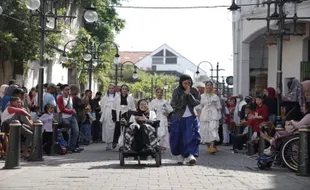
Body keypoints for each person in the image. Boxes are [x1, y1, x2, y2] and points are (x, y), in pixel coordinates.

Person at [170, 74, 201, 165]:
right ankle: (180, 154)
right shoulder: (176, 91)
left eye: (189, 83)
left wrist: (189, 95)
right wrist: (184, 95)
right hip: (179, 117)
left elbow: (196, 103)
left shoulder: (194, 90)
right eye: (185, 83)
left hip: (191, 116)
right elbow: (176, 105)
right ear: (181, 83)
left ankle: (190, 154)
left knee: (192, 135)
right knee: (178, 136)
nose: (187, 85)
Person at [195, 81, 222, 154]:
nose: (209, 86)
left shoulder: (215, 96)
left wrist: (218, 116)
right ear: (206, 86)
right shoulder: (202, 96)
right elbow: (199, 107)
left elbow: (218, 107)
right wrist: (199, 116)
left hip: (213, 114)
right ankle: (208, 147)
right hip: (204, 114)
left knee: (213, 129)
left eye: (210, 85)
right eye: (208, 85)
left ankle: (212, 146)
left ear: (212, 87)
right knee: (205, 130)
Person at [112, 84, 136, 148]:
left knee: (127, 129)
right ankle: (115, 142)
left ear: (127, 90)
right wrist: (114, 117)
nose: (124, 90)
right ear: (121, 90)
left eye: (125, 89)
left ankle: (126, 143)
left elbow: (133, 107)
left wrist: (133, 115)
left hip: (127, 114)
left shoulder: (130, 98)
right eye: (123, 89)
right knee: (118, 129)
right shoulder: (117, 98)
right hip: (119, 114)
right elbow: (113, 108)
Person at [100, 84, 118, 150]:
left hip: (114, 113)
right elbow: (102, 105)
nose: (111, 89)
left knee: (114, 128)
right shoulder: (105, 97)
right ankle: (108, 143)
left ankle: (114, 141)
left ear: (114, 89)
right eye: (109, 88)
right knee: (106, 129)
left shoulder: (117, 96)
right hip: (107, 113)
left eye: (112, 88)